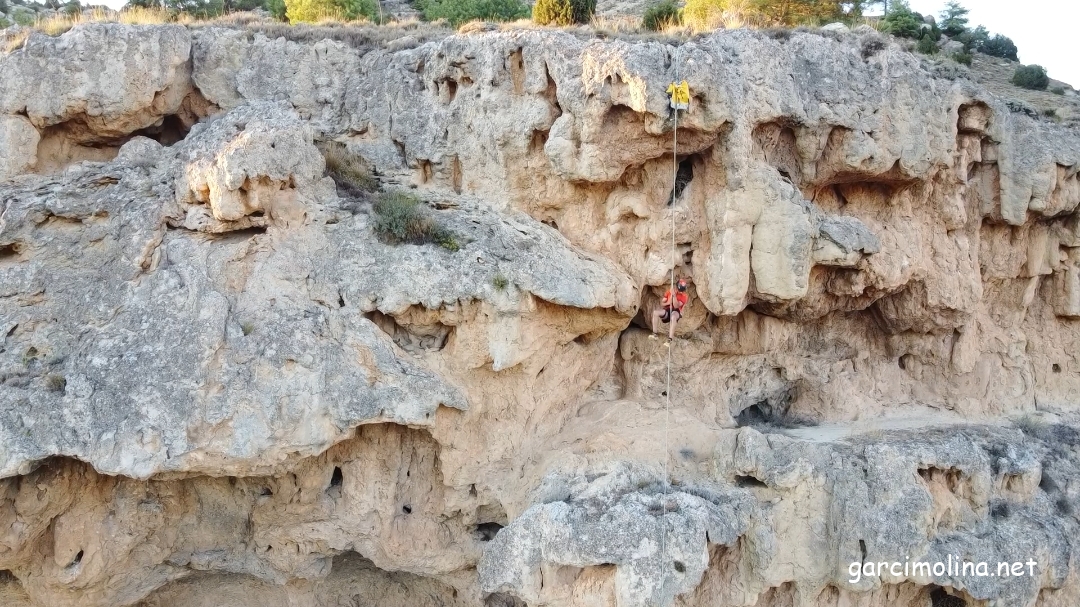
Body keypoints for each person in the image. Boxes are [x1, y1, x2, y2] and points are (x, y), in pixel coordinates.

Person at [650, 278, 689, 344]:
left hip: (676, 311)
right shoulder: (669, 292)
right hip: (667, 311)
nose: (681, 292)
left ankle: (670, 339)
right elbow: (662, 303)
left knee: (673, 317)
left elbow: (676, 306)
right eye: (680, 290)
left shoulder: (684, 296)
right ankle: (655, 334)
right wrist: (668, 302)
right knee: (655, 313)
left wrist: (674, 296)